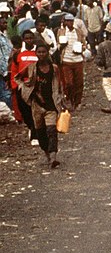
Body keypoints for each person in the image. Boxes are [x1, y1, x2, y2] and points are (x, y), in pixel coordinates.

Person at [15, 40, 66, 168]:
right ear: (36, 53)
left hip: (51, 104)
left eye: (44, 52)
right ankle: (47, 155)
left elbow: (59, 85)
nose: (41, 54)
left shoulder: (54, 68)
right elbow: (18, 77)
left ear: (47, 53)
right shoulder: (32, 67)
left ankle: (53, 157)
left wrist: (61, 100)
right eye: (39, 52)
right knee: (41, 132)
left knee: (52, 131)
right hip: (36, 105)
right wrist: (23, 87)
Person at [57, 12, 88, 111]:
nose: (70, 23)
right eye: (68, 21)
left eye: (71, 21)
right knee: (68, 83)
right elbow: (57, 45)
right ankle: (70, 99)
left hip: (77, 60)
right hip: (66, 60)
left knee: (79, 82)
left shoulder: (78, 32)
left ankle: (77, 102)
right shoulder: (61, 32)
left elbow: (84, 44)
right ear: (65, 22)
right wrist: (61, 46)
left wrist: (81, 49)